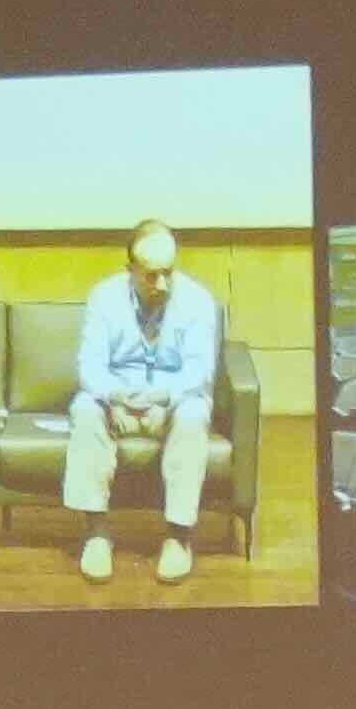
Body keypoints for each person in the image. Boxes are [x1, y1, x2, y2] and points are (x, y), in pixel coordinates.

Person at [66, 220, 228, 584]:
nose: (162, 285)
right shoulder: (103, 297)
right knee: (85, 408)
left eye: (168, 273)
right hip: (118, 398)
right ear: (130, 271)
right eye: (151, 275)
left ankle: (178, 537)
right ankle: (96, 532)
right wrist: (116, 399)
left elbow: (199, 373)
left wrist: (163, 400)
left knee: (193, 413)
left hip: (172, 401)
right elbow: (90, 367)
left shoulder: (199, 301)